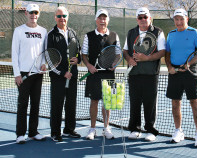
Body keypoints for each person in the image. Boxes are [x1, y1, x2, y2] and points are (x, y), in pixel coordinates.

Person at [165, 8, 197, 148]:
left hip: (190, 72)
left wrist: (188, 64)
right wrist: (170, 67)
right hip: (175, 73)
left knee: (194, 102)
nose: (178, 22)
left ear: (186, 19)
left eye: (181, 19)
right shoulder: (170, 35)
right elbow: (167, 53)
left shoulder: (194, 33)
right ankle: (178, 131)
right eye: (176, 19)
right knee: (175, 103)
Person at [123, 7, 166, 141]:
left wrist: (147, 58)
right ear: (137, 19)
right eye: (140, 17)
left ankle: (150, 130)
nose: (143, 20)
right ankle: (135, 129)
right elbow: (125, 50)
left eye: (145, 17)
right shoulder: (131, 33)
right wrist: (129, 59)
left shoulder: (158, 32)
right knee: (134, 102)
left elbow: (162, 51)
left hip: (150, 74)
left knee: (150, 103)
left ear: (150, 18)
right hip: (134, 74)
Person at [82, 9, 121, 140]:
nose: (102, 21)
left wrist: (115, 64)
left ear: (108, 20)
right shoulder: (88, 36)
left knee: (108, 102)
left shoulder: (115, 35)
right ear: (96, 20)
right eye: (100, 18)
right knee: (94, 101)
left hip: (109, 74)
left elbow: (118, 54)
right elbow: (84, 54)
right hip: (94, 74)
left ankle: (106, 128)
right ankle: (92, 129)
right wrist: (89, 66)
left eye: (105, 18)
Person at [11, 4, 47, 144]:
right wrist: (17, 74)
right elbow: (14, 53)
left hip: (38, 73)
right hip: (23, 74)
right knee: (23, 104)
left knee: (36, 104)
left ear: (39, 14)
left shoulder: (43, 31)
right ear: (26, 13)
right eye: (31, 12)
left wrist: (44, 64)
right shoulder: (19, 30)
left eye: (36, 13)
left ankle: (33, 132)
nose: (33, 15)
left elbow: (44, 51)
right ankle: (20, 134)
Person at [47, 6, 81, 142]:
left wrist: (77, 60)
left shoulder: (73, 33)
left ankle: (69, 129)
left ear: (68, 17)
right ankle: (55, 132)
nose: (62, 19)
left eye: (64, 16)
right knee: (57, 105)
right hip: (58, 78)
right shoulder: (51, 35)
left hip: (72, 76)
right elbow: (49, 58)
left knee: (71, 104)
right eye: (59, 16)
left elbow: (77, 51)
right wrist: (62, 73)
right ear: (55, 18)